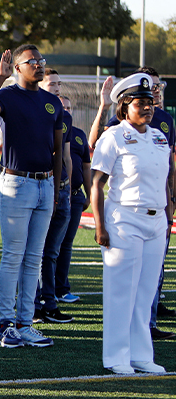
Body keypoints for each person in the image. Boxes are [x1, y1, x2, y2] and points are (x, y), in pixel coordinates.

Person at [0, 44, 64, 348]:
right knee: (13, 256)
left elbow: (57, 147)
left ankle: (26, 323)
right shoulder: (8, 95)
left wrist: (57, 182)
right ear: (18, 67)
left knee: (33, 259)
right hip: (16, 183)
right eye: (31, 61)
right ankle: (5, 324)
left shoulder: (52, 102)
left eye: (41, 61)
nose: (38, 65)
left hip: (45, 185)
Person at [91, 73, 169, 375]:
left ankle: (141, 355)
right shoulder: (113, 136)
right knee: (122, 291)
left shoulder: (159, 136)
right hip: (124, 219)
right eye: (140, 103)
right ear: (124, 106)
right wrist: (100, 226)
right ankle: (116, 357)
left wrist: (167, 214)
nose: (148, 108)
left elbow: (165, 179)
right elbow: (97, 182)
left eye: (150, 103)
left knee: (145, 292)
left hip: (155, 219)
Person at [32, 68, 74, 324]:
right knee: (34, 252)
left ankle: (49, 302)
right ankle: (33, 305)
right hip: (39, 184)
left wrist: (65, 187)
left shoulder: (63, 115)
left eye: (59, 84)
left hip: (60, 187)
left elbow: (65, 156)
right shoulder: (33, 110)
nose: (57, 88)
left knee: (51, 252)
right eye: (52, 84)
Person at [53, 95, 92, 313]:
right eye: (63, 107)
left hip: (75, 196)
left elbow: (86, 167)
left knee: (66, 244)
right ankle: (47, 290)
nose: (66, 110)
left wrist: (87, 193)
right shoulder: (52, 131)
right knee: (51, 246)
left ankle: (62, 288)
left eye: (69, 107)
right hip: (57, 194)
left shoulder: (79, 135)